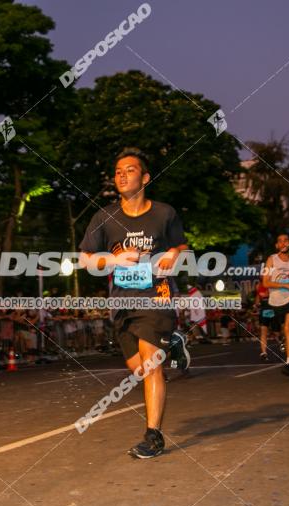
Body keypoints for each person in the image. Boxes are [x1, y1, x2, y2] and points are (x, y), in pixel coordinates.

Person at [78, 147, 188, 459]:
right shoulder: (105, 217)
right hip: (122, 303)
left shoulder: (164, 214)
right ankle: (175, 345)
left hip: (156, 299)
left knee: (151, 363)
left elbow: (183, 247)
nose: (122, 175)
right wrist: (110, 259)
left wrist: (173, 255)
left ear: (145, 177)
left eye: (130, 170)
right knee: (138, 369)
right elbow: (85, 259)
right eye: (118, 172)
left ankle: (153, 436)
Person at [262, 233, 289, 376]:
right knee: (285, 331)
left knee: (287, 327)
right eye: (280, 241)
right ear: (277, 245)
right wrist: (286, 286)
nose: (283, 243)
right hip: (276, 300)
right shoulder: (271, 260)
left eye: (286, 240)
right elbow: (266, 282)